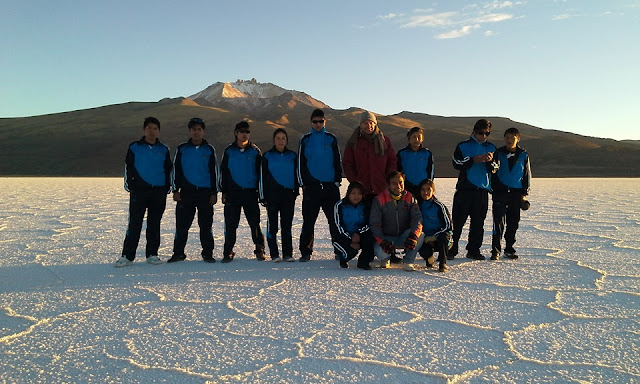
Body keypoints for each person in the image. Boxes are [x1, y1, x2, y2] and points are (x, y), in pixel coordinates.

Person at [115, 117, 171, 267]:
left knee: (154, 224)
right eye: (149, 128)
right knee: (134, 223)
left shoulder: (164, 149)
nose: (152, 131)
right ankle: (127, 256)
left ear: (158, 131)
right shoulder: (134, 147)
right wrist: (131, 186)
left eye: (155, 128)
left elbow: (168, 170)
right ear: (144, 130)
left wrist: (167, 187)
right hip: (139, 191)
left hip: (158, 192)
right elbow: (129, 167)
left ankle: (152, 254)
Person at [168, 118, 220, 263]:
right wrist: (175, 190)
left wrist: (214, 192)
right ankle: (178, 253)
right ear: (189, 131)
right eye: (193, 129)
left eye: (199, 129)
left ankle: (207, 253)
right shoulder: (182, 149)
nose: (196, 132)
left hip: (205, 193)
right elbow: (175, 170)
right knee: (182, 226)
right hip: (186, 193)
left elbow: (215, 171)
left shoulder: (209, 149)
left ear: (203, 132)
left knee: (205, 226)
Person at [297, 109, 342, 262]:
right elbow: (301, 163)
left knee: (335, 221)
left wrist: (337, 181)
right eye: (315, 121)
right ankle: (306, 252)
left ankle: (339, 249)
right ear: (311, 122)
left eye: (320, 121)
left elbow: (337, 160)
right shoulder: (305, 139)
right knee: (309, 221)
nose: (318, 124)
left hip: (330, 186)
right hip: (312, 187)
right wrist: (304, 183)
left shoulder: (331, 139)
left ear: (325, 122)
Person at [450, 119, 500, 260]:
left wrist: (491, 162)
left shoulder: (492, 148)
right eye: (480, 133)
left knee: (478, 224)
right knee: (457, 223)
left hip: (482, 191)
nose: (483, 136)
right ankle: (450, 249)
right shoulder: (463, 146)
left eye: (486, 133)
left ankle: (473, 250)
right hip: (464, 190)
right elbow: (456, 163)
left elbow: (496, 168)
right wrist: (472, 160)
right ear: (474, 131)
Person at [220, 121, 265, 262]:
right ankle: (228, 251)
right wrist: (224, 192)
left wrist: (260, 192)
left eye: (247, 131)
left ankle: (260, 249)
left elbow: (261, 173)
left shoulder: (255, 151)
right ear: (236, 133)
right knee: (231, 224)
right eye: (241, 131)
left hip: (250, 193)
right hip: (233, 192)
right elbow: (224, 172)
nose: (244, 134)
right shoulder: (229, 151)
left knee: (255, 223)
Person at [369, 171, 424, 272]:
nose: (398, 186)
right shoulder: (379, 199)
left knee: (420, 235)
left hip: (404, 236)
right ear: (388, 185)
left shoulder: (410, 197)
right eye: (394, 183)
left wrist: (413, 236)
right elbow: (374, 224)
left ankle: (408, 261)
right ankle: (386, 258)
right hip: (387, 238)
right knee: (379, 251)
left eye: (400, 183)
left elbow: (417, 219)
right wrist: (382, 241)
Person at [491, 127, 532, 260]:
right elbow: (493, 172)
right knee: (498, 222)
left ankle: (509, 249)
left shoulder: (523, 155)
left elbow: (526, 175)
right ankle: (495, 250)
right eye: (507, 138)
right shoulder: (498, 153)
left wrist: (524, 194)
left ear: (517, 139)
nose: (509, 140)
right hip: (500, 192)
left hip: (516, 193)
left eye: (512, 138)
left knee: (513, 222)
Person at [260, 128, 299, 262]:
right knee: (273, 226)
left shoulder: (293, 156)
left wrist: (296, 191)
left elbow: (297, 174)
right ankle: (274, 254)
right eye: (278, 138)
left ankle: (287, 254)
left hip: (288, 195)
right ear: (273, 140)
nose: (281, 141)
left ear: (286, 140)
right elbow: (262, 178)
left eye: (283, 138)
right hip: (272, 196)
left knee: (286, 225)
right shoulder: (267, 156)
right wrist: (262, 196)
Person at [343, 111, 397, 202]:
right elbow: (347, 163)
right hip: (362, 190)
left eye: (371, 122)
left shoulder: (384, 141)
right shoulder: (353, 142)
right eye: (365, 123)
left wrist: (388, 178)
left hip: (382, 188)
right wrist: (355, 181)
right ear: (360, 125)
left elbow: (392, 161)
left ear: (375, 124)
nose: (368, 125)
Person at [331, 181, 374, 270]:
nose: (356, 196)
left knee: (370, 240)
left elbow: (369, 223)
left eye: (359, 193)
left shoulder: (366, 205)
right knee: (351, 252)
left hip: (359, 234)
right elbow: (337, 225)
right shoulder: (340, 205)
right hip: (343, 236)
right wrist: (350, 238)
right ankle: (343, 257)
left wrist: (358, 233)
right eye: (353, 193)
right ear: (348, 193)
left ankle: (363, 262)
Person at [417, 179, 453, 272]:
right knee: (424, 250)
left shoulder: (439, 206)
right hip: (425, 238)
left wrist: (434, 236)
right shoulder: (418, 206)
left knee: (444, 237)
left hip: (439, 237)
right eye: (423, 190)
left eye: (428, 189)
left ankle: (442, 263)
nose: (425, 192)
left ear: (433, 191)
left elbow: (448, 226)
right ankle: (429, 258)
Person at [396, 126, 434, 198]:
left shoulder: (427, 153)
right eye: (413, 137)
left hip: (422, 189)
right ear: (409, 139)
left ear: (422, 139)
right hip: (406, 187)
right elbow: (398, 170)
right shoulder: (402, 153)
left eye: (419, 137)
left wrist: (428, 185)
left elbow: (430, 171)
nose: (416, 139)